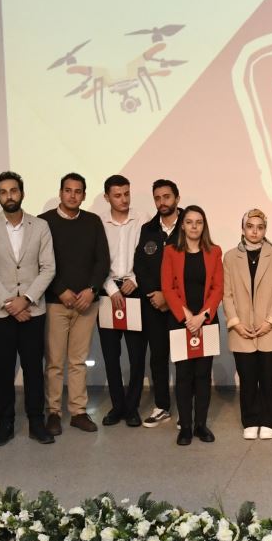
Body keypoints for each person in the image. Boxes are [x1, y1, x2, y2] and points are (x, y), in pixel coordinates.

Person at [0, 171, 57, 445]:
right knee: (3, 370)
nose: (9, 196)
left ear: (22, 193)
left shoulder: (40, 226)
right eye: (3, 192)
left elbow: (48, 268)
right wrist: (11, 303)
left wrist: (27, 299)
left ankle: (36, 422)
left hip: (32, 311)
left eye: (13, 190)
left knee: (34, 369)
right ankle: (5, 423)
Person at [39, 173, 111, 435]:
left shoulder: (92, 222)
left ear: (83, 195)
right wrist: (60, 290)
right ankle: (54, 412)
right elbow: (40, 261)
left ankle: (78, 412)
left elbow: (102, 260)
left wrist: (92, 291)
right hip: (55, 303)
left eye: (78, 191)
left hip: (86, 304)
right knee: (55, 362)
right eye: (68, 190)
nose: (72, 195)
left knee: (78, 361)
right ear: (60, 193)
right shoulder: (44, 222)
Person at [162, 205, 223, 445]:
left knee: (203, 375)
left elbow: (218, 288)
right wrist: (186, 314)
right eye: (189, 222)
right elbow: (167, 288)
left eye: (198, 222)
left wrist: (202, 316)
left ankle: (201, 425)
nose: (194, 226)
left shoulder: (214, 251)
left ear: (204, 225)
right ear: (183, 226)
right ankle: (185, 427)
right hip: (181, 322)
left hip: (206, 321)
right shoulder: (170, 252)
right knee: (184, 375)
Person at [225, 209, 272, 439]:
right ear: (243, 229)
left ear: (265, 230)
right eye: (250, 226)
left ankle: (269, 420)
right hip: (241, 329)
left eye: (260, 227)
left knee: (268, 377)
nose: (254, 231)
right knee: (247, 377)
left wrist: (271, 321)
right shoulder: (230, 257)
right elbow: (227, 294)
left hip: (269, 328)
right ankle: (250, 419)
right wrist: (235, 323)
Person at [133, 180, 182, 428]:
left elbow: (194, 266)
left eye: (167, 196)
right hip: (154, 305)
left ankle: (186, 410)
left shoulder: (190, 224)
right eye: (157, 198)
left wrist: (169, 296)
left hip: (183, 306)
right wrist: (156, 295)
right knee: (158, 357)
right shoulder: (148, 229)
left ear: (177, 198)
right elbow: (141, 266)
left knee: (184, 359)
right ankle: (162, 406)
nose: (162, 202)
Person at [98, 174, 146, 428]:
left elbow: (149, 257)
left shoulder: (142, 218)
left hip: (134, 289)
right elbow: (96, 260)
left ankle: (132, 407)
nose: (124, 199)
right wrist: (110, 288)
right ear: (107, 197)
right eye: (117, 195)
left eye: (126, 193)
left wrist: (135, 280)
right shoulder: (98, 223)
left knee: (137, 355)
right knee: (110, 354)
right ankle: (117, 406)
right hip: (108, 292)